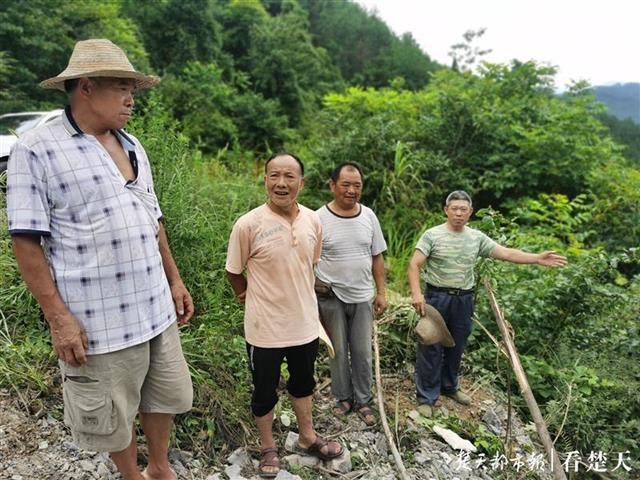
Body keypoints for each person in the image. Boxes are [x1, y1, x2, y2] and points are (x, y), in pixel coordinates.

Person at [6, 39, 194, 480]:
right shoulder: (36, 150)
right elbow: (26, 242)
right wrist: (59, 318)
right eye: (122, 88)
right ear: (87, 87)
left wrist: (175, 280)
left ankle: (160, 468)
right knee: (112, 414)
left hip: (154, 308)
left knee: (164, 395)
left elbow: (153, 218)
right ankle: (131, 476)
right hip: (98, 322)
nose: (132, 99)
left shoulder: (132, 146)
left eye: (134, 88)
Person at [226, 152, 344, 478]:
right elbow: (234, 271)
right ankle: (268, 447)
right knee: (264, 390)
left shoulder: (313, 221)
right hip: (264, 327)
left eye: (289, 177)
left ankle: (307, 437)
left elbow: (309, 265)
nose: (281, 183)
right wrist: (245, 295)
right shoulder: (248, 224)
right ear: (265, 180)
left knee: (303, 383)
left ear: (301, 183)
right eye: (274, 176)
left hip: (306, 324)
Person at [407, 190, 567, 417]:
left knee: (457, 343)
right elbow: (414, 264)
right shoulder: (432, 235)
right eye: (454, 209)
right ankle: (426, 397)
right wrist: (416, 294)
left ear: (470, 212)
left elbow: (507, 254)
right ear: (446, 211)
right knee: (431, 344)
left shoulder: (476, 238)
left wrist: (536, 258)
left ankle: (449, 386)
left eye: (464, 209)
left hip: (463, 298)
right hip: (437, 297)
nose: (459, 213)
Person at [315, 162, 387, 426]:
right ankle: (342, 398)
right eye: (345, 184)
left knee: (361, 351)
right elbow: (306, 259)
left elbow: (377, 257)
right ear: (332, 185)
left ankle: (363, 400)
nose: (351, 190)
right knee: (337, 350)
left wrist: (381, 292)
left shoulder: (368, 216)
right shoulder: (317, 218)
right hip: (330, 295)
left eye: (357, 185)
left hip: (362, 296)